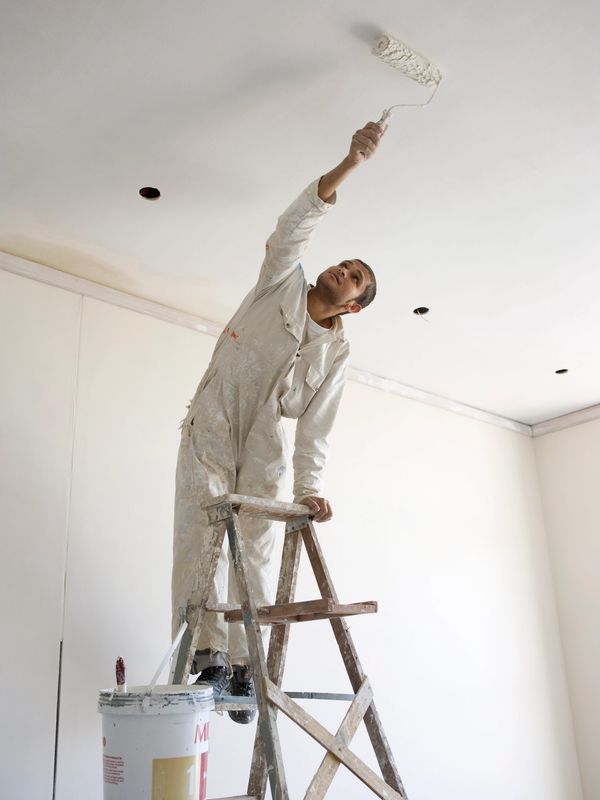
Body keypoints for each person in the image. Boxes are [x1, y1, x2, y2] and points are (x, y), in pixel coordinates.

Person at [172, 121, 385, 723]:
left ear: (352, 307)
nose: (343, 271)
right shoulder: (279, 285)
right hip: (214, 418)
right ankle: (208, 657)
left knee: (256, 550)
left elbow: (317, 424)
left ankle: (244, 666)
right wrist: (349, 162)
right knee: (200, 535)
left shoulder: (335, 353)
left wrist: (309, 490)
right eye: (344, 263)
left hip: (267, 437)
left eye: (355, 278)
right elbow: (291, 228)